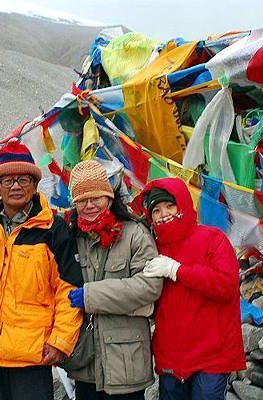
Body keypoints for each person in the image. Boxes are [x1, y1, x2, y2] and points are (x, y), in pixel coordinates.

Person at [0, 138, 83, 400]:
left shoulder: (53, 230)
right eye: (7, 181)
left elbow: (69, 289)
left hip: (31, 355)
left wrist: (60, 341)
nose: (16, 186)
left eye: (23, 179)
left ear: (34, 184)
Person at [139, 177, 246, 400]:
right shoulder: (150, 247)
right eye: (156, 210)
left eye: (170, 206)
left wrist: (177, 270)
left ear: (183, 205)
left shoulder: (212, 239)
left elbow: (226, 286)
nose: (164, 214)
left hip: (213, 354)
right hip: (171, 354)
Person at [65, 160, 163, 400]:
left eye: (95, 198)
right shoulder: (72, 238)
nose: (89, 205)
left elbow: (149, 286)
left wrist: (90, 296)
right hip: (87, 362)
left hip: (126, 362)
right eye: (81, 200)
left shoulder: (135, 234)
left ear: (109, 198)